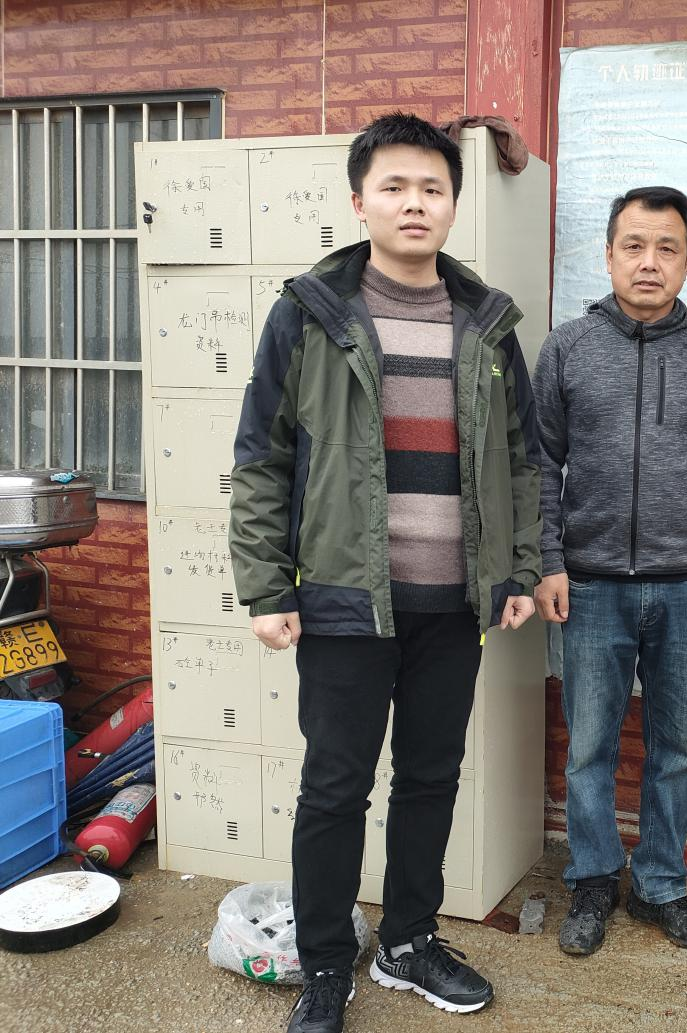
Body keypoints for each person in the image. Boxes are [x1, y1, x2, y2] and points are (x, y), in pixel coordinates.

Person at [229, 112, 541, 1033]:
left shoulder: (487, 324)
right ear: (359, 200)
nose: (414, 203)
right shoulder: (310, 316)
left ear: (453, 204)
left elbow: (522, 461)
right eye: (394, 186)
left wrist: (518, 569)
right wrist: (266, 586)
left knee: (431, 777)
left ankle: (408, 940)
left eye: (432, 188)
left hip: (454, 604)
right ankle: (327, 961)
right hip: (343, 600)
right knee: (335, 787)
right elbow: (262, 457)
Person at [532, 186, 687, 957]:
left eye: (667, 248)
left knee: (675, 749)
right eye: (634, 245)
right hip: (591, 587)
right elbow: (540, 463)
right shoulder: (568, 348)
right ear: (609, 255)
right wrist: (549, 561)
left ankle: (660, 883)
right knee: (589, 747)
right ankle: (594, 879)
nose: (649, 262)